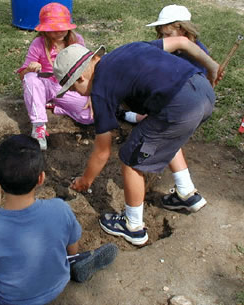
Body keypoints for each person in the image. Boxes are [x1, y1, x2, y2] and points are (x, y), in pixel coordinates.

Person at [52, 38, 219, 246]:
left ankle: (133, 226)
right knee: (163, 134)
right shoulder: (130, 47)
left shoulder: (100, 89)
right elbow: (181, 42)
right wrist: (211, 65)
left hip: (179, 107)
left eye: (72, 88)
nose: (74, 93)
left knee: (130, 158)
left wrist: (86, 180)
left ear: (79, 78)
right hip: (203, 91)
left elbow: (102, 151)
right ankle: (186, 193)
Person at [0, 134, 118, 305]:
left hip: (7, 298)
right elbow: (72, 246)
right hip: (56, 285)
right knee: (63, 250)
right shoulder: (60, 208)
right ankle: (73, 263)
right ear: (41, 178)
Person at [17, 2, 93, 150]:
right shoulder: (38, 44)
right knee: (30, 78)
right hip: (45, 84)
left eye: (62, 28)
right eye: (53, 29)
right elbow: (22, 75)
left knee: (89, 117)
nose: (58, 32)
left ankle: (56, 106)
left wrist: (91, 95)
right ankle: (39, 126)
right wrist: (29, 69)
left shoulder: (77, 41)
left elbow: (87, 70)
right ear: (44, 30)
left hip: (69, 87)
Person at [119, 4, 210, 124]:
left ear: (183, 29)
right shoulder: (168, 46)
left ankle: (136, 117)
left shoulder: (197, 56)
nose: (164, 38)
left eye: (167, 35)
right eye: (162, 34)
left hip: (177, 99)